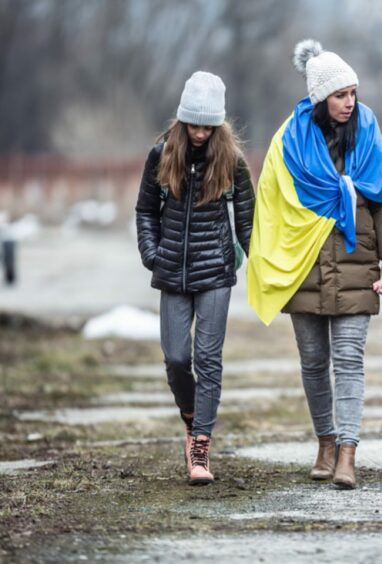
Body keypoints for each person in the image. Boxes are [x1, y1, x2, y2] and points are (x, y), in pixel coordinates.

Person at [247, 40, 382, 489]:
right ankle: (325, 442)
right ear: (320, 98)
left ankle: (349, 453)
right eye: (340, 95)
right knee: (314, 362)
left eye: (353, 93)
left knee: (349, 360)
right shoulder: (288, 142)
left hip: (356, 265)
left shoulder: (368, 131)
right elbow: (270, 204)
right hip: (303, 265)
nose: (350, 102)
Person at [135, 71, 254, 485]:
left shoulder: (232, 161)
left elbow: (246, 219)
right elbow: (145, 210)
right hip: (171, 272)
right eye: (195, 124)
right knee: (175, 358)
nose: (201, 133)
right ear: (183, 120)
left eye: (209, 125)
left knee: (208, 359)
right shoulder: (161, 154)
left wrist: (257, 263)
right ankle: (190, 416)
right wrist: (151, 253)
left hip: (216, 272)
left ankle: (200, 446)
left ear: (218, 124)